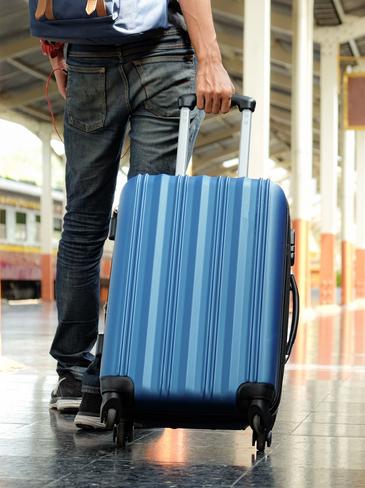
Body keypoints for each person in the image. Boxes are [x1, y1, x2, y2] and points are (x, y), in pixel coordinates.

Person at [45, 0, 235, 430]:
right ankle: (109, 380)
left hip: (86, 48)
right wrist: (210, 59)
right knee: (149, 223)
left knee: (82, 222)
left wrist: (57, 52)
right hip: (163, 49)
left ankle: (73, 377)